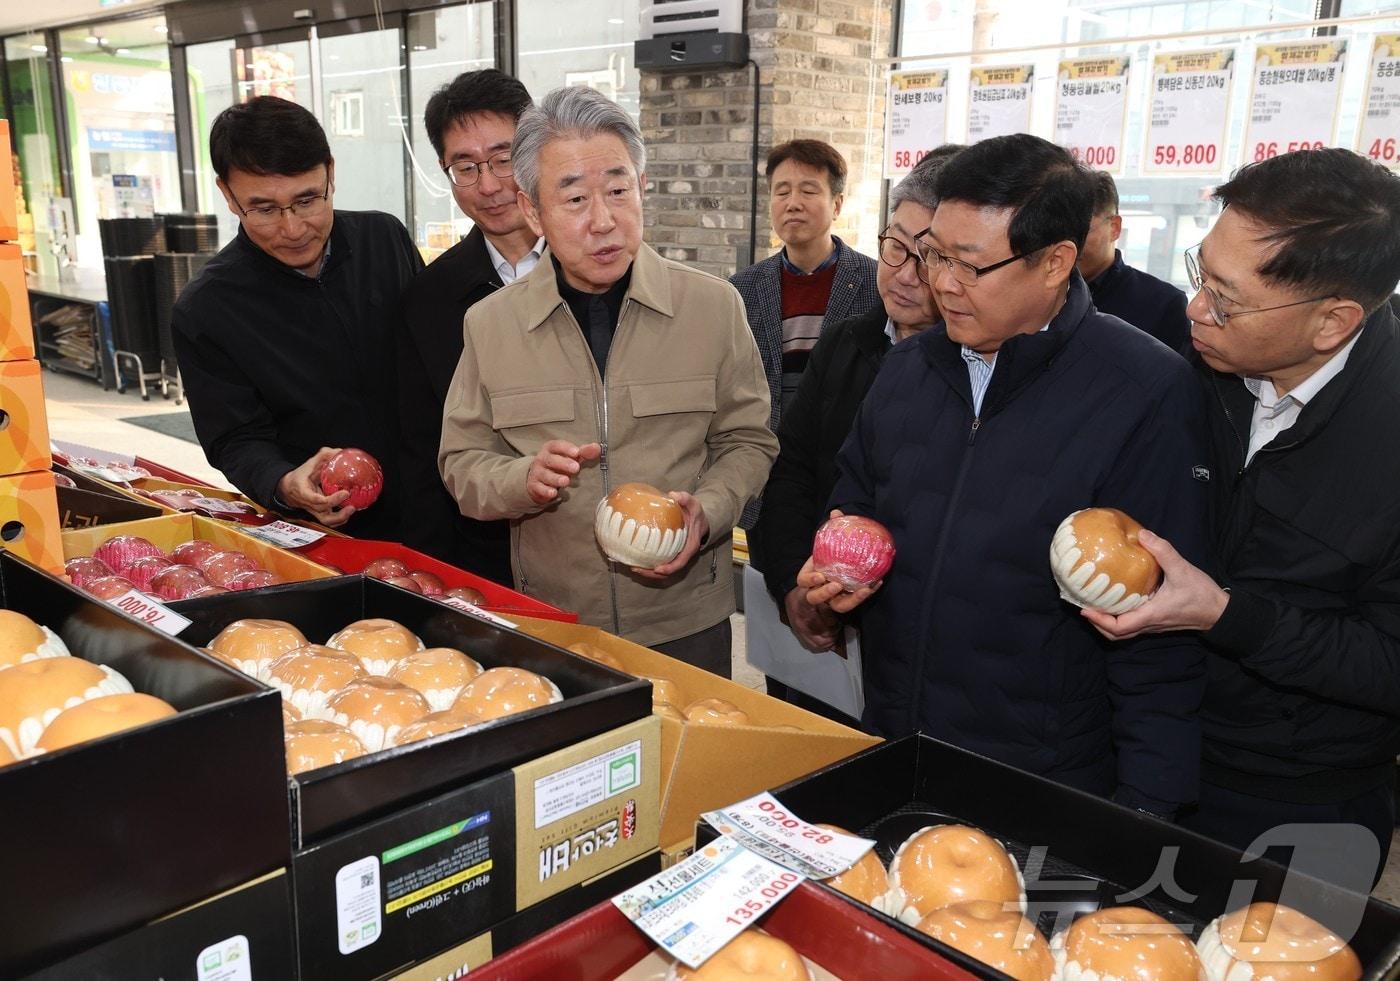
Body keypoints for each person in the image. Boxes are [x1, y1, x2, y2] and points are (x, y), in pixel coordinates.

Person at [799, 134, 1211, 815]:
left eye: (970, 265)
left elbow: (1159, 635)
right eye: (934, 254)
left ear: (1055, 262)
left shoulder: (1143, 389)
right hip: (897, 739)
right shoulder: (907, 371)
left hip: (1044, 774)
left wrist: (1143, 817)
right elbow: (854, 500)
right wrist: (833, 577)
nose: (941, 283)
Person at [1084, 148, 1400, 885]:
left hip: (1303, 800)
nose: (1194, 309)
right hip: (1150, 749)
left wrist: (1227, 614)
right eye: (1201, 275)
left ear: (1333, 322)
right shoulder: (1190, 372)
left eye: (1226, 299)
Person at [437, 87, 777, 676]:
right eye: (573, 199)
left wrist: (710, 509)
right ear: (533, 210)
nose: (603, 221)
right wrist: (525, 478)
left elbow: (749, 441)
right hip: (555, 625)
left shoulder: (713, 307)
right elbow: (462, 465)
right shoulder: (491, 324)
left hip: (685, 617)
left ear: (643, 189)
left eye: (618, 191)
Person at [748, 146, 960, 722]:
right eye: (896, 247)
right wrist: (797, 587)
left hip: (914, 638)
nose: (906, 274)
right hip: (814, 608)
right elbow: (791, 469)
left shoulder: (978, 368)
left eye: (931, 257)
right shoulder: (846, 343)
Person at [173, 97, 422, 538]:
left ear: (331, 173)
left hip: (438, 506)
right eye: (264, 209)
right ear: (228, 195)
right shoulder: (206, 308)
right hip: (328, 533)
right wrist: (285, 483)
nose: (292, 229)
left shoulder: (384, 239)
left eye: (308, 199)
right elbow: (235, 439)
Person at [399, 70, 537, 584]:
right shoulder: (428, 298)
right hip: (482, 556)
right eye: (466, 167)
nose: (490, 185)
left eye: (504, 159)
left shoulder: (598, 269)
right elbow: (422, 450)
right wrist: (436, 576)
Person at [730, 139, 879, 529]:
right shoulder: (741, 290)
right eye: (782, 191)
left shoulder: (875, 283)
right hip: (766, 480)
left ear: (837, 204)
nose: (792, 202)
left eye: (808, 190)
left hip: (847, 478)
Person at [1077, 170, 1189, 352]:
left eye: (1078, 233)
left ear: (1114, 228)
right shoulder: (1038, 292)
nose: (1065, 245)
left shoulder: (1163, 304)